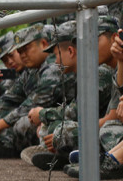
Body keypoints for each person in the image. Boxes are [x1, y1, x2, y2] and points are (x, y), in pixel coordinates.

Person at [27, 20, 116, 171]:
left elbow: (77, 112)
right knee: (56, 128)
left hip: (107, 129)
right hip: (102, 125)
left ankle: (85, 157)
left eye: (95, 40)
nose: (55, 61)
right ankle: (72, 155)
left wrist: (43, 114)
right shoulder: (93, 71)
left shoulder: (101, 71)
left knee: (64, 130)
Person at [0, 23, 61, 159]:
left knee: (24, 124)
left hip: (60, 116)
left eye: (26, 49)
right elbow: (8, 98)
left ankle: (56, 156)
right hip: (45, 116)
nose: (22, 56)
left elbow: (31, 104)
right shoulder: (31, 70)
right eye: (20, 51)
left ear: (44, 44)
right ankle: (13, 148)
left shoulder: (53, 67)